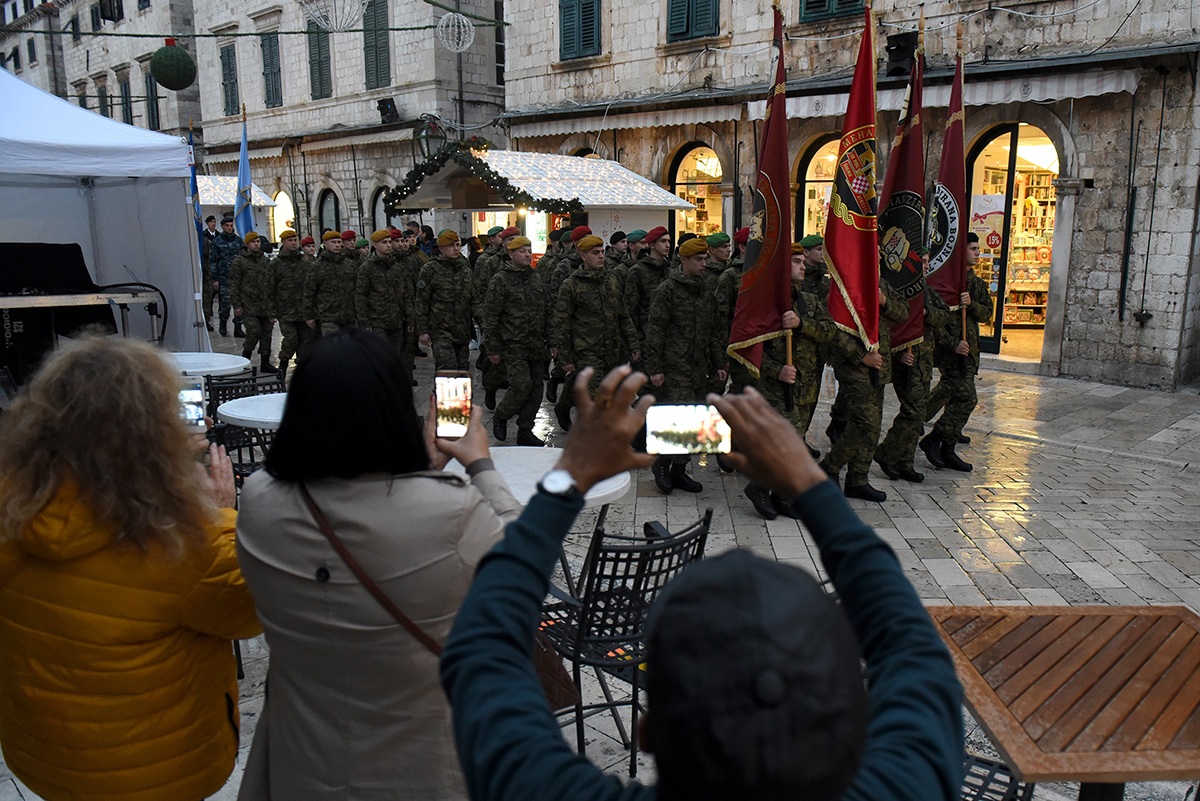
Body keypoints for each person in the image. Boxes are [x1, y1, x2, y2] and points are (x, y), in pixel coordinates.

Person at [440, 365, 965, 801]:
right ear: (858, 723)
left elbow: (484, 644)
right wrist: (810, 483)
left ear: (647, 735)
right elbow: (912, 644)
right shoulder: (908, 785)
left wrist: (568, 476)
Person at [234, 328, 519, 800]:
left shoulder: (260, 501)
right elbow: (520, 565)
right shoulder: (450, 513)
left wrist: (421, 477)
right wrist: (479, 465)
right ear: (395, 408)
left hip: (302, 764)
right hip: (424, 770)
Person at [0, 336, 261, 801]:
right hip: (157, 773)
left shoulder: (12, 506)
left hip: (47, 759)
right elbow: (250, 610)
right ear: (153, 435)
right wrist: (219, 514)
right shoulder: (180, 543)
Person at [746, 242, 835, 519]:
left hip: (806, 385)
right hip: (778, 386)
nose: (802, 266)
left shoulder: (808, 300)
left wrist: (801, 325)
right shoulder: (767, 305)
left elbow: (829, 330)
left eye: (801, 261)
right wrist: (777, 371)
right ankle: (759, 487)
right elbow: (751, 349)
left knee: (793, 443)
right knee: (789, 443)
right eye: (795, 262)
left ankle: (783, 496)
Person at [644, 237, 726, 494]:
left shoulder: (706, 289)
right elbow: (655, 331)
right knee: (678, 418)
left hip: (699, 366)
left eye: (705, 259)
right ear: (685, 260)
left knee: (696, 421)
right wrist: (655, 367)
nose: (704, 264)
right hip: (675, 365)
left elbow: (713, 330)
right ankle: (661, 463)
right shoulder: (667, 289)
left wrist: (718, 363)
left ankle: (679, 471)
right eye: (698, 260)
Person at [820, 281, 909, 503]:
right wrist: (860, 356)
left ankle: (857, 479)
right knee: (866, 422)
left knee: (873, 426)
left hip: (879, 365)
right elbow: (832, 329)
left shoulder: (882, 287)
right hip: (853, 368)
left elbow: (904, 313)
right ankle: (830, 465)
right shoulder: (843, 284)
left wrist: (885, 302)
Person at [875, 254, 953, 483]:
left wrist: (928, 314)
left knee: (916, 414)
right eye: (922, 261)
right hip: (904, 360)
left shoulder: (927, 292)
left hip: (924, 362)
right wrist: (899, 352)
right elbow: (891, 324)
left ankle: (905, 462)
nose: (926, 265)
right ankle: (887, 453)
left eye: (928, 261)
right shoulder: (896, 287)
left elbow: (944, 315)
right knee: (914, 411)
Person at [550, 235, 639, 432]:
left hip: (612, 348)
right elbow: (562, 323)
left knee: (585, 383)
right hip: (586, 349)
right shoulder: (571, 285)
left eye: (602, 252)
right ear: (582, 255)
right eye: (595, 253)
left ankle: (564, 405)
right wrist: (565, 355)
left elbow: (623, 314)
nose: (601, 257)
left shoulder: (611, 280)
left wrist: (633, 343)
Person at [921, 232, 992, 472]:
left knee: (955, 395)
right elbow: (936, 323)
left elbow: (986, 314)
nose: (977, 252)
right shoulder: (947, 284)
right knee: (967, 398)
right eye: (972, 248)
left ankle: (945, 445)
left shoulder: (977, 284)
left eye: (977, 248)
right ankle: (934, 438)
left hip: (970, 352)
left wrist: (971, 305)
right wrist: (953, 345)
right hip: (951, 353)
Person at [483, 236, 550, 446]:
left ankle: (525, 430)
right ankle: (502, 414)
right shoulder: (500, 280)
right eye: (522, 251)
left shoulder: (536, 278)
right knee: (522, 385)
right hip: (513, 345)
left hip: (537, 345)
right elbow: (491, 316)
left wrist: (553, 341)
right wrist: (492, 348)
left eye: (529, 250)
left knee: (536, 389)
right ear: (510, 254)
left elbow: (547, 311)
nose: (527, 254)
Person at [417, 229, 479, 371]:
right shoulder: (430, 269)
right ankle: (440, 393)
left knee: (462, 369)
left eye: (457, 245)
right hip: (440, 330)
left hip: (462, 329)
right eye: (451, 245)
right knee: (447, 368)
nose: (456, 249)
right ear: (441, 248)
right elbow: (421, 301)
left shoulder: (464, 268)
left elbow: (474, 299)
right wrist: (422, 330)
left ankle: (453, 393)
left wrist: (483, 324)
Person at [355, 230, 415, 374]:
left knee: (395, 356)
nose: (388, 245)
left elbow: (405, 293)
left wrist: (410, 318)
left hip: (396, 320)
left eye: (389, 242)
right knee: (380, 356)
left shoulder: (396, 267)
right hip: (377, 320)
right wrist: (364, 322)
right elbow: (361, 295)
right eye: (384, 242)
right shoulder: (367, 268)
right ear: (375, 245)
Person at [230, 230, 277, 373]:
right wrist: (236, 305)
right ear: (247, 244)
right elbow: (234, 284)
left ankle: (265, 362)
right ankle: (246, 358)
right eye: (253, 242)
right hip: (248, 304)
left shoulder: (265, 261)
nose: (256, 244)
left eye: (258, 242)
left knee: (267, 334)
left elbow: (271, 283)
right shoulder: (239, 261)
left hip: (265, 305)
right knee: (253, 332)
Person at [273, 229, 314, 377]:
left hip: (303, 311)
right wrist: (271, 311)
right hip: (286, 311)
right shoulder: (276, 264)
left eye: (295, 240)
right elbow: (269, 287)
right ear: (283, 242)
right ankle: (282, 368)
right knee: (290, 340)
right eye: (290, 240)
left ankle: (303, 376)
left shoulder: (305, 262)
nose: (293, 243)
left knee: (305, 345)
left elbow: (311, 287)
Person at [305, 230, 358, 335]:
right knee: (333, 347)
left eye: (339, 242)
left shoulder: (349, 265)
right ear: (325, 244)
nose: (337, 245)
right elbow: (309, 292)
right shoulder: (317, 266)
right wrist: (309, 316)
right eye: (333, 242)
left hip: (349, 314)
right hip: (328, 315)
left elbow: (357, 289)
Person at [211, 215, 243, 337]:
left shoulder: (238, 241)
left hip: (237, 278)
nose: (229, 228)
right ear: (222, 227)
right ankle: (223, 323)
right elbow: (213, 261)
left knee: (239, 303)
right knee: (225, 303)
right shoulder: (217, 242)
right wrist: (215, 279)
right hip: (224, 277)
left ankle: (238, 327)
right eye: (227, 226)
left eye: (231, 225)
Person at [202, 215, 219, 331]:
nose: (213, 224)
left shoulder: (219, 236)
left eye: (214, 222)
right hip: (207, 270)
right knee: (208, 296)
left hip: (219, 269)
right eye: (211, 222)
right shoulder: (203, 237)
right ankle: (207, 317)